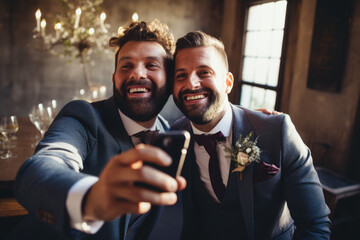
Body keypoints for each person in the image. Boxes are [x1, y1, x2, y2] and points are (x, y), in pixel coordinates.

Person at [10, 20, 186, 240]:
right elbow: (43, 166)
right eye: (126, 66)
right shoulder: (83, 116)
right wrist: (91, 198)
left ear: (169, 83)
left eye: (151, 65)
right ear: (114, 79)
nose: (137, 74)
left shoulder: (169, 133)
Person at [171, 31, 331, 239]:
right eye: (181, 75)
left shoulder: (277, 131)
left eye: (204, 72)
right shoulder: (174, 136)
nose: (191, 84)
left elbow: (314, 225)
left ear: (228, 82)